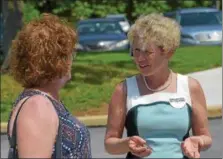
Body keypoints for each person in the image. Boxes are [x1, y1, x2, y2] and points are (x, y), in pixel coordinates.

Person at [104, 13, 212, 158]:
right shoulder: (123, 89)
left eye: (148, 52)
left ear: (168, 52)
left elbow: (206, 137)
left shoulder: (190, 87)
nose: (140, 58)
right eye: (136, 51)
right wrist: (127, 144)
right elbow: (110, 144)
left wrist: (198, 141)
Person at [7, 13, 91, 158]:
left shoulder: (42, 100)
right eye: (69, 54)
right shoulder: (37, 105)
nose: (71, 61)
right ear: (54, 60)